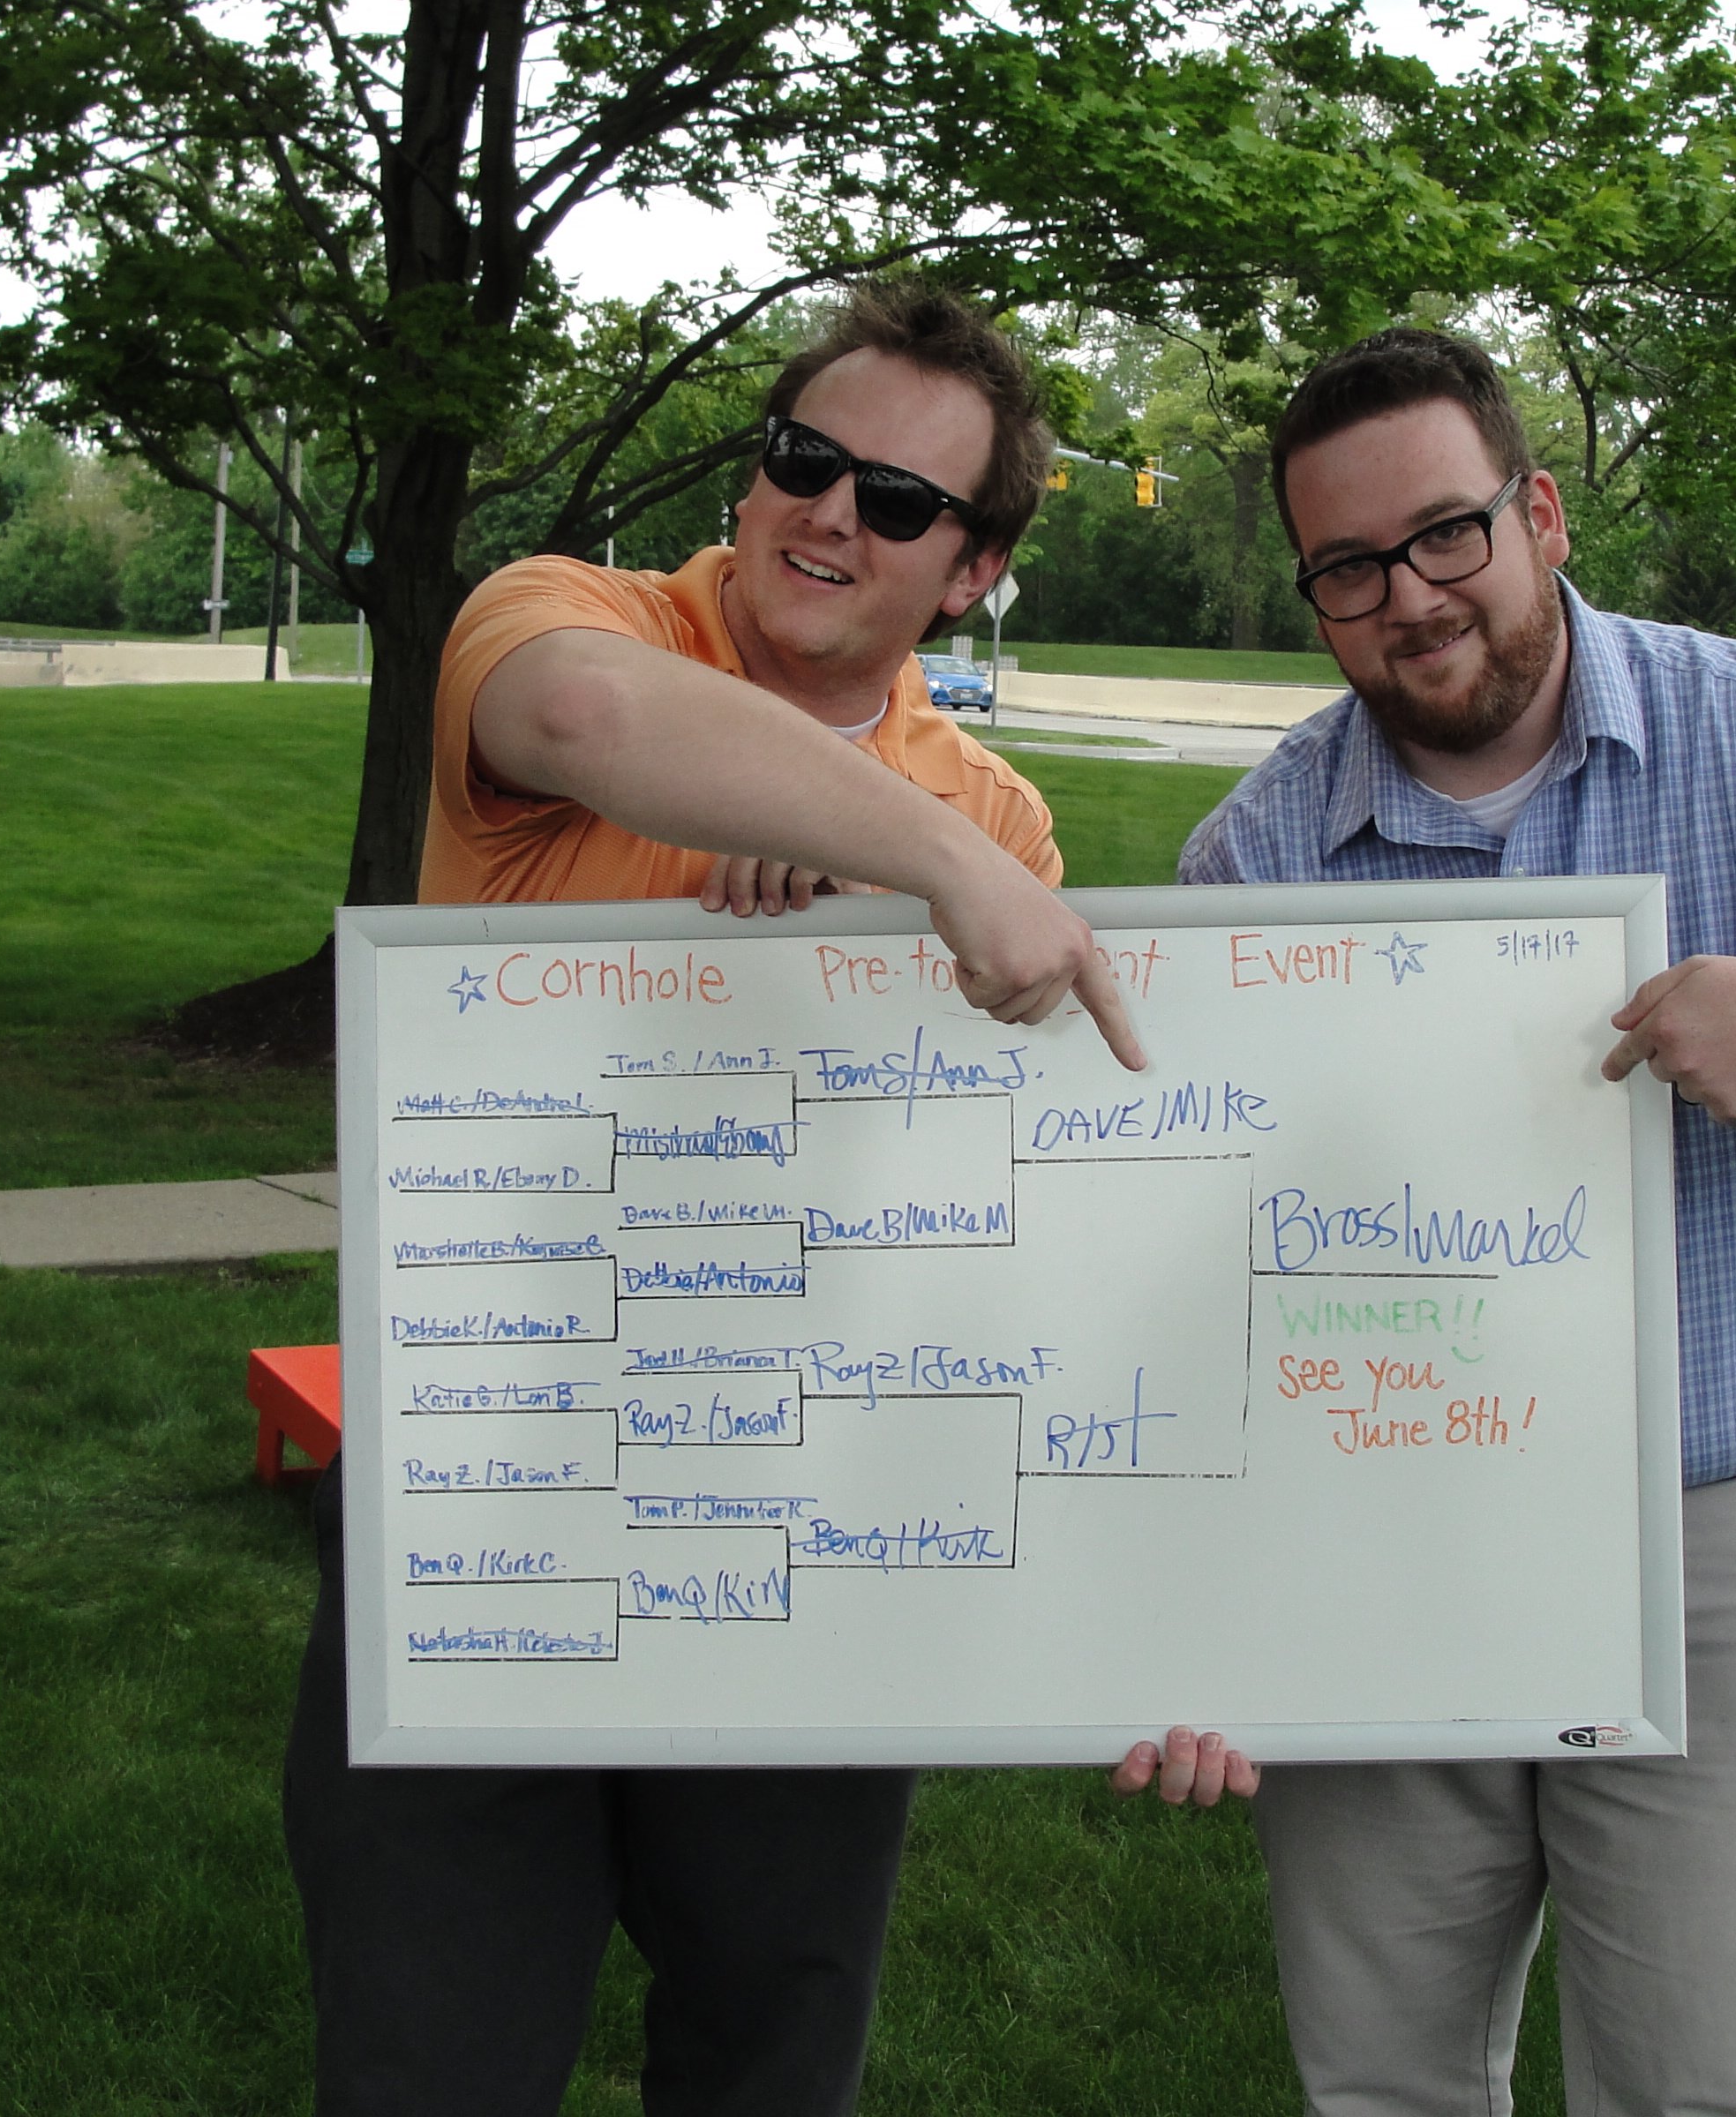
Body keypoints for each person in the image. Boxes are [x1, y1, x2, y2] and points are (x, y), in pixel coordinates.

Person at [1130, 327, 1736, 2117]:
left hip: (1733, 1525)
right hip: (1385, 1529)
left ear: (1543, 512)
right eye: (1347, 569)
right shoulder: (1257, 860)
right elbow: (1202, 1275)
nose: (1407, 600)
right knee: (1385, 2081)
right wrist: (1205, 1603)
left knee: (1720, 2089)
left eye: (1445, 536)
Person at [282, 282, 1144, 2117]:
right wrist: (882, 837)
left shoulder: (1002, 825)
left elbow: (995, 1221)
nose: (832, 515)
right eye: (804, 464)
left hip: (812, 1510)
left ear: (975, 568)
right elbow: (591, 716)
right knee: (428, 2060)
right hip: (488, 1479)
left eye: (899, 504)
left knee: (771, 2054)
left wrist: (886, 862)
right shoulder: (558, 610)